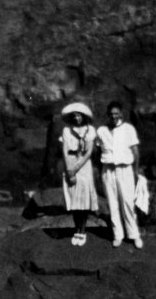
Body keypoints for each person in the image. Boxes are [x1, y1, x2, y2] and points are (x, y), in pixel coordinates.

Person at [96, 101, 143, 249]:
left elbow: (135, 151)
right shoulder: (101, 130)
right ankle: (118, 235)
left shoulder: (128, 129)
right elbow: (97, 152)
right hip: (108, 171)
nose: (114, 116)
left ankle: (134, 235)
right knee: (112, 204)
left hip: (125, 170)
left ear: (121, 114)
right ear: (107, 115)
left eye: (116, 113)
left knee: (128, 203)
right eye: (111, 114)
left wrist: (135, 171)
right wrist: (100, 171)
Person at [60, 102, 98, 246]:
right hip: (69, 162)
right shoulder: (66, 130)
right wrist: (69, 169)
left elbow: (88, 153)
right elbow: (64, 150)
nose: (76, 118)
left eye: (79, 116)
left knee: (84, 199)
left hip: (83, 166)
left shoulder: (90, 130)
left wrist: (75, 169)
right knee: (74, 199)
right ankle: (77, 229)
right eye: (74, 116)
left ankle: (83, 230)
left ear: (84, 117)